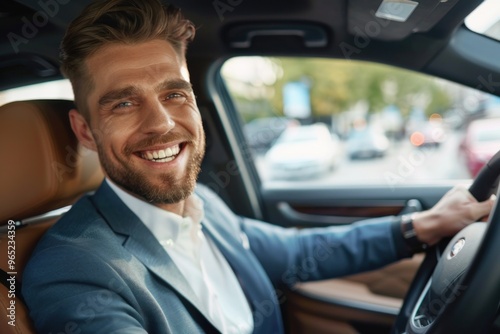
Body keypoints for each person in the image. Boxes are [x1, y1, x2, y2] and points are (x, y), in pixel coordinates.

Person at [22, 0, 494, 333]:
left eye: (174, 94)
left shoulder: (202, 202)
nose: (162, 123)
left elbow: (295, 251)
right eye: (123, 103)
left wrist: (425, 226)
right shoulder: (71, 267)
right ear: (85, 131)